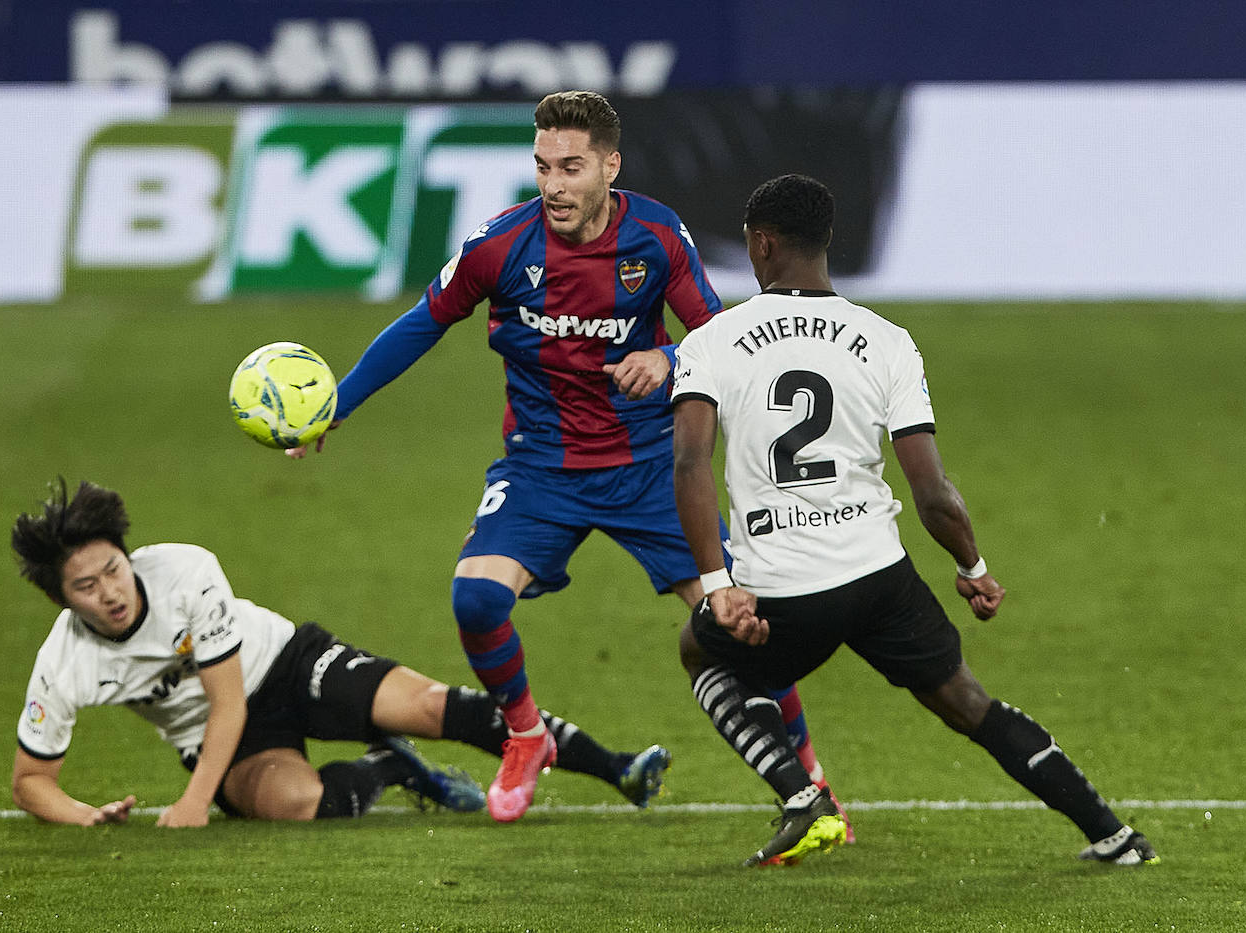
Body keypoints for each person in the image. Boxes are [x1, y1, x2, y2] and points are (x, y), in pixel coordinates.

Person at [287, 90, 845, 826]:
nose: (553, 184)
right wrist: (339, 402)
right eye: (543, 166)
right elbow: (423, 322)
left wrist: (668, 357)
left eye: (571, 167)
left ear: (609, 166)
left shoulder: (656, 237)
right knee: (476, 598)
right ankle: (524, 733)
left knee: (742, 626)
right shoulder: (500, 245)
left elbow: (723, 337)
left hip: (649, 469)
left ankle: (810, 776)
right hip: (539, 469)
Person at [671, 173, 1160, 868]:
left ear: (762, 244)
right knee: (967, 701)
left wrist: (718, 583)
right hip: (877, 575)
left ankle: (798, 794)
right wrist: (974, 569)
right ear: (826, 243)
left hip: (784, 586)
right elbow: (933, 493)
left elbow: (689, 462)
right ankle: (1113, 834)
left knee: (702, 651)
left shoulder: (712, 342)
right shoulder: (889, 341)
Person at [9, 479, 671, 827]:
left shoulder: (183, 570)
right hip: (223, 739)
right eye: (86, 586)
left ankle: (617, 769)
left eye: (113, 570)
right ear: (63, 599)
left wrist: (192, 803)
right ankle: (393, 769)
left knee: (431, 704)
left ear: (128, 557)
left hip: (287, 664)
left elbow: (229, 698)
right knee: (298, 805)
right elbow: (31, 780)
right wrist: (84, 815)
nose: (110, 592)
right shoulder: (65, 661)